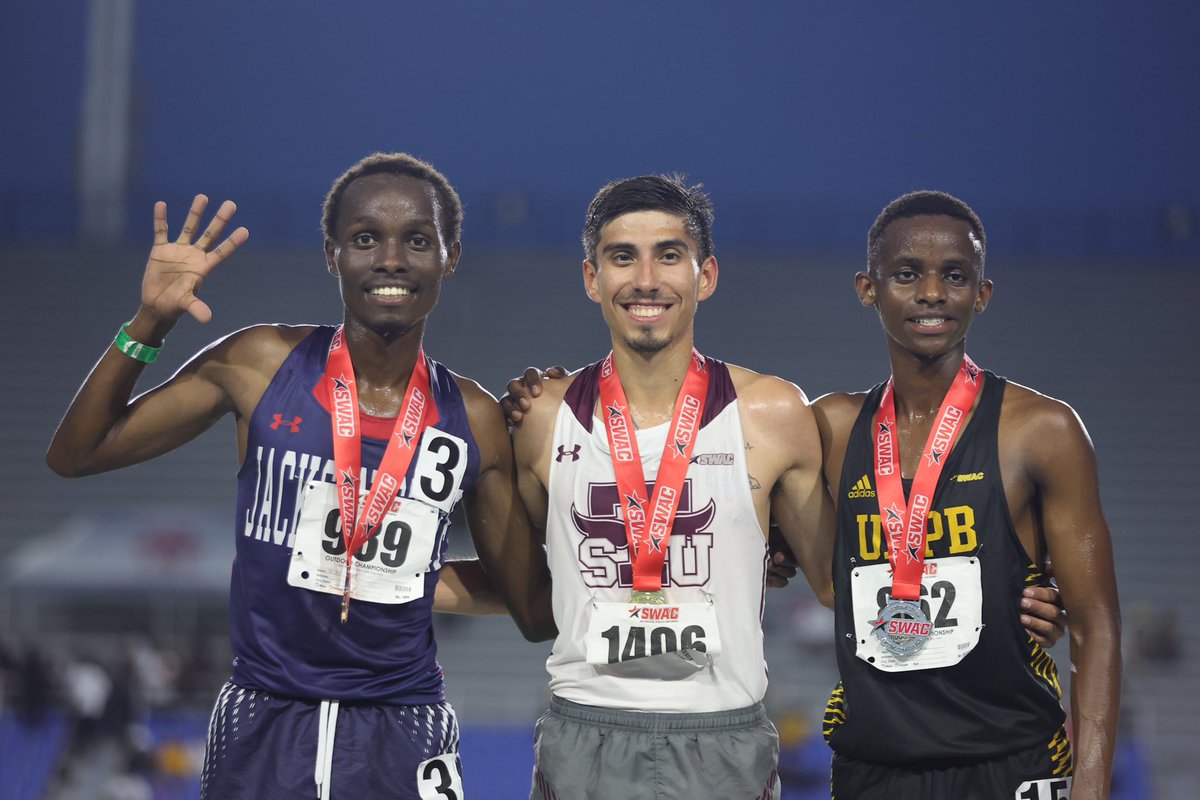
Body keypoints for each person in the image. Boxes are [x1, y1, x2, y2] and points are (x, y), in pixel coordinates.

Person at [501, 180, 1070, 799]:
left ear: (706, 274)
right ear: (591, 278)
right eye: (621, 257)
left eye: (668, 255)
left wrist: (1015, 593)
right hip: (584, 732)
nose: (645, 279)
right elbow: (532, 593)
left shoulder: (775, 413)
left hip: (723, 741)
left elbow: (838, 581)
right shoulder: (539, 418)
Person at [47, 152, 552, 799]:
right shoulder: (259, 364)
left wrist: (555, 450)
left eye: (417, 240)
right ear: (332, 253)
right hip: (263, 721)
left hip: (402, 729)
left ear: (449, 257)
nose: (391, 259)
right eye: (365, 238)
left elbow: (533, 609)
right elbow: (76, 453)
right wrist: (152, 321)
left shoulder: (473, 418)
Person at [813, 190, 1121, 799]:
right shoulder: (827, 428)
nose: (932, 293)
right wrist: (566, 390)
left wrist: (1090, 790)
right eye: (907, 274)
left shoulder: (1042, 430)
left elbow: (1095, 624)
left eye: (955, 276)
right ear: (867, 288)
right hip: (873, 769)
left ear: (981, 293)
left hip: (1011, 762)